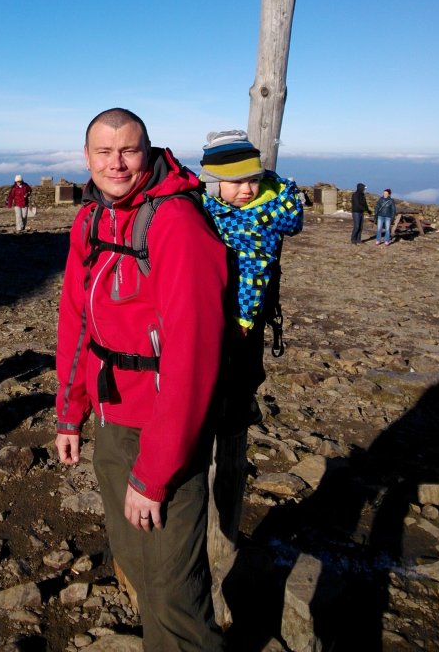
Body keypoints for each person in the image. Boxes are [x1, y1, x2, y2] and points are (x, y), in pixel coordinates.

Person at [55, 108, 227, 650]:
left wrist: (154, 472)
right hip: (110, 421)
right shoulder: (90, 219)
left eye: (128, 151)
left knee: (173, 591)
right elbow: (76, 319)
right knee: (133, 559)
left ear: (148, 153)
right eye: (104, 152)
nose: (117, 163)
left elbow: (193, 355)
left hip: (164, 431)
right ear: (87, 157)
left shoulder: (175, 223)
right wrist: (69, 412)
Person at [198, 130, 304, 437]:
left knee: (236, 365)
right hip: (215, 299)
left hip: (239, 309)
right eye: (237, 181)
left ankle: (236, 411)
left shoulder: (256, 218)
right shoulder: (213, 203)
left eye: (253, 180)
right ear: (214, 183)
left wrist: (243, 317)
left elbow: (253, 273)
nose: (248, 189)